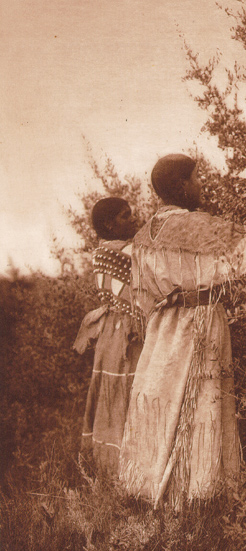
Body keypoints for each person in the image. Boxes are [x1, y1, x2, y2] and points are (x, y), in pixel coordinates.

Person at [119, 154, 246, 508]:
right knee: (200, 401)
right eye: (196, 178)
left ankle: (152, 488)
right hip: (198, 322)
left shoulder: (143, 235)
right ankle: (197, 492)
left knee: (164, 398)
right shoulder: (196, 226)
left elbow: (142, 297)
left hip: (161, 331)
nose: (200, 186)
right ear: (180, 186)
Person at [74, 197, 144, 476]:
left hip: (111, 335)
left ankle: (111, 468)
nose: (133, 219)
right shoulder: (126, 252)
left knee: (113, 395)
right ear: (109, 224)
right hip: (128, 334)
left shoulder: (101, 252)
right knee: (128, 393)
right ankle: (127, 471)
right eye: (126, 216)